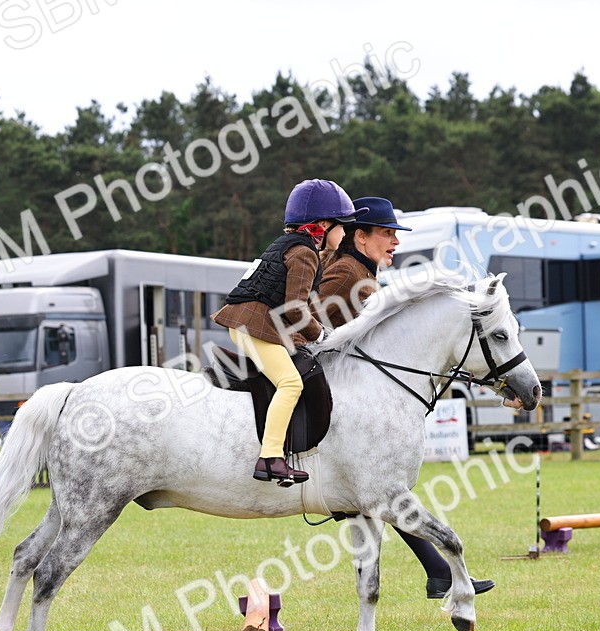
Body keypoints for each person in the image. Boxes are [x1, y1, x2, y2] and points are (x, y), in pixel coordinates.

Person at [316, 196, 496, 600]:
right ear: (360, 237)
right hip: (328, 392)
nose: (395, 242)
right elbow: (313, 327)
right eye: (387, 233)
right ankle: (439, 571)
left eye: (396, 234)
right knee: (384, 485)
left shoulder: (361, 270)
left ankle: (437, 573)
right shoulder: (348, 273)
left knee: (384, 486)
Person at [211, 179, 365, 485]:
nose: (345, 233)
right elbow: (295, 310)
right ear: (322, 225)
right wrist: (321, 335)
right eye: (341, 226)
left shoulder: (291, 247)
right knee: (291, 384)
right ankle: (271, 458)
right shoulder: (305, 253)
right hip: (253, 326)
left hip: (251, 323)